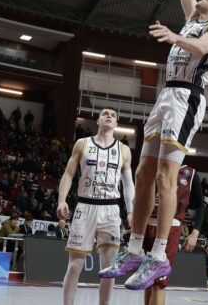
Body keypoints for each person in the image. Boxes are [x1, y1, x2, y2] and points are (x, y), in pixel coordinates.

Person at [101, 0, 208, 290]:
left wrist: (176, 37)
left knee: (166, 175)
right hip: (166, 96)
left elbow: (204, 47)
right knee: (142, 171)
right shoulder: (192, 20)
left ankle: (159, 255)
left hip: (187, 98)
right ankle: (134, 248)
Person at [57, 108, 134, 305]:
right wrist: (62, 200)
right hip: (85, 207)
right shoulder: (82, 144)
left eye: (114, 115)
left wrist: (131, 210)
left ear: (116, 124)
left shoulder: (124, 150)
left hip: (111, 210)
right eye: (105, 113)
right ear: (98, 120)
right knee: (75, 266)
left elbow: (128, 184)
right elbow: (68, 174)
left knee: (109, 270)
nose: (109, 116)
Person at [142, 165, 205, 305]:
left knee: (159, 282)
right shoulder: (154, 163)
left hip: (171, 226)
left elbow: (200, 205)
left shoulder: (190, 173)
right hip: (148, 224)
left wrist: (195, 233)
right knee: (147, 279)